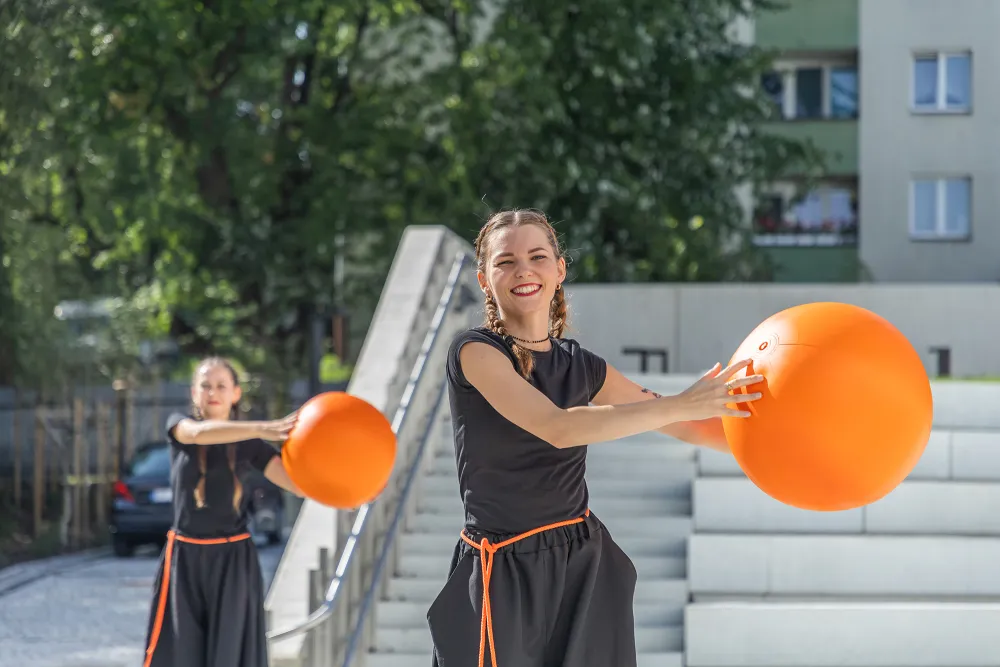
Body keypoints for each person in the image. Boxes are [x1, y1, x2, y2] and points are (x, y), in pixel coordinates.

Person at [427, 209, 764, 667]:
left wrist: (785, 449)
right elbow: (559, 427)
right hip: (502, 570)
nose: (523, 270)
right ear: (485, 279)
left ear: (559, 269)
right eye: (505, 261)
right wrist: (680, 402)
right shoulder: (475, 352)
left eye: (537, 256)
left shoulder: (584, 366)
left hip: (581, 562)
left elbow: (689, 425)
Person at [142, 356, 305, 667]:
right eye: (205, 385)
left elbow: (296, 484)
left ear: (236, 393)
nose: (212, 392)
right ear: (193, 393)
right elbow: (197, 435)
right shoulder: (180, 425)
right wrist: (263, 427)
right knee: (179, 655)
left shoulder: (252, 445)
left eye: (221, 385)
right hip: (184, 560)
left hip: (233, 561)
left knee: (230, 656)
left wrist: (346, 487)